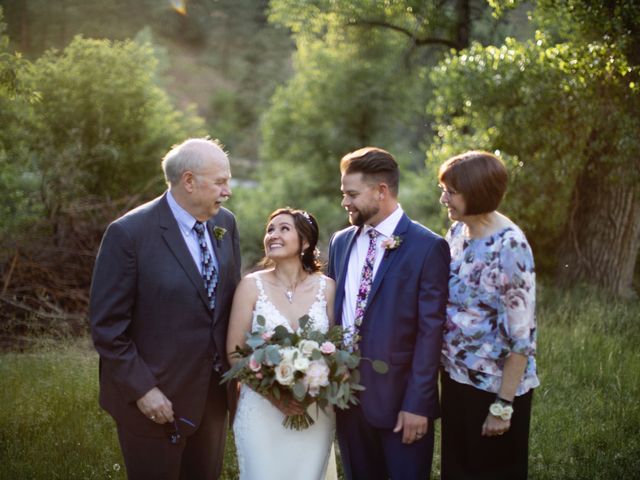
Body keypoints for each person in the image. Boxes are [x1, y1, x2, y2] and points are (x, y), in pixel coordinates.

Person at [89, 138, 241, 479]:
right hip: (154, 402)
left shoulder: (225, 225)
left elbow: (229, 304)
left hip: (213, 400)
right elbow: (107, 327)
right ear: (188, 181)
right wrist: (143, 390)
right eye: (220, 181)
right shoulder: (129, 234)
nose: (227, 191)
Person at [328, 147, 450, 480]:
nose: (345, 203)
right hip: (347, 402)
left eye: (351, 194)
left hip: (401, 405)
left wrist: (418, 404)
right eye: (343, 194)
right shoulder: (340, 243)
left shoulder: (428, 247)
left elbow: (431, 333)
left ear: (381, 191)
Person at [438, 151, 539, 480]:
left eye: (451, 192)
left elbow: (522, 339)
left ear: (476, 192)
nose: (444, 199)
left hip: (493, 388)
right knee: (457, 470)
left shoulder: (510, 246)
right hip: (455, 379)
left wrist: (502, 406)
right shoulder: (457, 232)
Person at [226, 208, 338, 480]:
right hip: (261, 412)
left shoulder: (328, 288)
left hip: (313, 413)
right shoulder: (250, 286)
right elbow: (234, 353)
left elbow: (338, 351)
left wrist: (309, 393)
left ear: (306, 242)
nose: (272, 235)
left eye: (284, 229)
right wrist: (276, 398)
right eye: (270, 229)